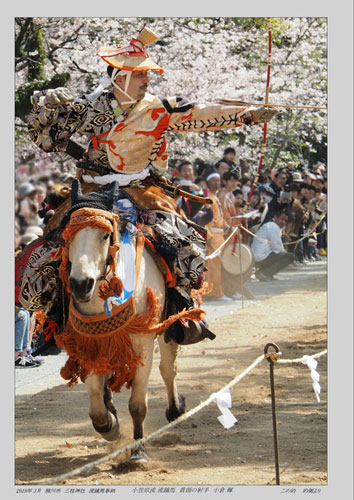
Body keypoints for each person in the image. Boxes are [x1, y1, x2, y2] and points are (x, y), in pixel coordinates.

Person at [26, 26, 277, 342]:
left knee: (179, 243)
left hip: (140, 190)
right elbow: (44, 140)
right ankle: (53, 318)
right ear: (120, 78)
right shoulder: (90, 107)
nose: (147, 81)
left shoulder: (160, 108)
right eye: (140, 75)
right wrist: (46, 108)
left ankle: (178, 313)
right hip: (91, 190)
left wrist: (248, 114)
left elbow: (202, 113)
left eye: (147, 75)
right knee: (51, 242)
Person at [204, 173, 231, 301]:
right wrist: (208, 236)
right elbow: (208, 219)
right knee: (213, 265)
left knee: (218, 264)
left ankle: (217, 291)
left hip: (220, 234)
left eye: (218, 181)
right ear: (208, 183)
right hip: (213, 235)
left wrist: (226, 225)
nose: (217, 183)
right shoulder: (208, 197)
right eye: (214, 181)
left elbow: (219, 217)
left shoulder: (215, 197)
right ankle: (215, 292)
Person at [251, 208, 295, 281]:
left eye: (285, 221)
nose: (283, 222)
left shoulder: (268, 225)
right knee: (290, 257)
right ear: (275, 217)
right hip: (262, 258)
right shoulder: (273, 227)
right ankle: (265, 273)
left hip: (257, 257)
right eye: (281, 219)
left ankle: (264, 273)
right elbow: (277, 249)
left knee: (282, 254)